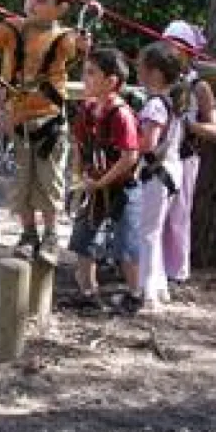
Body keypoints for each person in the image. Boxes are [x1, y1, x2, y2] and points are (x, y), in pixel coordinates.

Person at [0, 0, 82, 260]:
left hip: (49, 122)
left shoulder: (64, 38)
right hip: (17, 122)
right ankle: (28, 234)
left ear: (61, 8)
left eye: (42, 0)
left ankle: (50, 235)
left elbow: (78, 48)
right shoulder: (11, 29)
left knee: (49, 183)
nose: (32, 4)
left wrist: (84, 40)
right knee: (21, 184)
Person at [68, 48, 141, 313]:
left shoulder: (121, 114)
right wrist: (80, 176)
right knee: (83, 238)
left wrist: (102, 182)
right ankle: (88, 293)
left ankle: (135, 295)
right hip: (94, 185)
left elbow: (129, 156)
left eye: (91, 73)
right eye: (84, 72)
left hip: (122, 188)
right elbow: (78, 145)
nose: (84, 78)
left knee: (126, 243)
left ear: (111, 81)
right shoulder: (86, 109)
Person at [162, 20, 216, 286]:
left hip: (185, 157)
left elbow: (214, 129)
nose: (167, 51)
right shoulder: (159, 80)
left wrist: (187, 124)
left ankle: (176, 270)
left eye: (173, 46)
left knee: (179, 214)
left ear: (187, 52)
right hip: (158, 158)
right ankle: (153, 266)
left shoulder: (199, 86)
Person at [135, 41, 187, 311]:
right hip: (171, 171)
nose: (138, 72)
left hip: (157, 174)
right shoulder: (172, 102)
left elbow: (149, 144)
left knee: (148, 233)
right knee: (154, 230)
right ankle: (160, 286)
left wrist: (127, 141)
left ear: (155, 73)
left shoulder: (155, 105)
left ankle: (148, 293)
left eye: (141, 68)